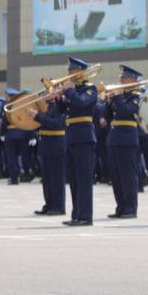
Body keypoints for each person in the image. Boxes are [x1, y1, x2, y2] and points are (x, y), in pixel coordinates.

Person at [60, 57, 98, 226]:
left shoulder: (90, 89)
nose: (69, 73)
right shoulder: (73, 90)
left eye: (72, 70)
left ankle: (85, 216)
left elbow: (81, 104)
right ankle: (76, 214)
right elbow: (66, 110)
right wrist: (57, 98)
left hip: (84, 137)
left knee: (84, 179)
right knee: (74, 179)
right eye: (69, 70)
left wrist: (68, 91)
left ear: (81, 71)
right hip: (71, 137)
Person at [107, 65, 143, 219]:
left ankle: (130, 208)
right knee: (116, 176)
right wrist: (109, 102)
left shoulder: (136, 96)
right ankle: (121, 206)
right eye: (121, 77)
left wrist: (117, 97)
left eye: (124, 77)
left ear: (132, 79)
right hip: (115, 137)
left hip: (127, 138)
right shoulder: (120, 96)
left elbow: (126, 111)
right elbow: (107, 117)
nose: (121, 79)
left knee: (127, 175)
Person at [33, 85, 68, 216]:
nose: (43, 94)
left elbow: (56, 124)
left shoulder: (61, 106)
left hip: (56, 144)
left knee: (56, 178)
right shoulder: (46, 107)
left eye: (47, 92)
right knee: (47, 179)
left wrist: (37, 116)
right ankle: (49, 204)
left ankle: (58, 207)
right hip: (46, 144)